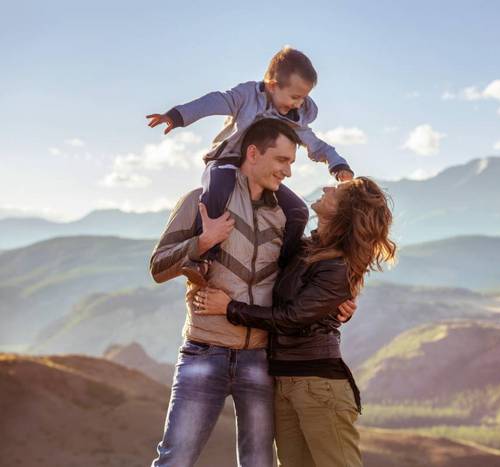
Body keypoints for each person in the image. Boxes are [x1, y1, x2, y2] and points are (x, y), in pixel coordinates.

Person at [148, 118, 356, 467]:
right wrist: (203, 241)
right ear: (253, 153)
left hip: (260, 360)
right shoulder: (200, 203)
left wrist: (341, 300)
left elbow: (304, 276)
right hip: (203, 352)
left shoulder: (287, 217)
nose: (288, 171)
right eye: (282, 160)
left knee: (260, 464)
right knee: (174, 460)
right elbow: (157, 268)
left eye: (292, 162)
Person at [194, 176, 397, 467]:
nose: (326, 187)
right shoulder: (306, 250)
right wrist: (243, 162)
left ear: (344, 211)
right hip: (283, 382)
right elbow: (283, 194)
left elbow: (292, 318)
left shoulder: (336, 265)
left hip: (318, 385)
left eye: (335, 192)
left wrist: (229, 308)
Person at [146, 46, 354, 286]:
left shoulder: (294, 120)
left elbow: (315, 144)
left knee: (298, 211)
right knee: (217, 193)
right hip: (227, 162)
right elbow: (216, 101)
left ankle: (286, 268)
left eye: (304, 98)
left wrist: (338, 164)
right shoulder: (247, 97)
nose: (298, 104)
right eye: (295, 97)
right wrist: (178, 116)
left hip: (259, 178)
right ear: (272, 85)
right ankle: (204, 259)